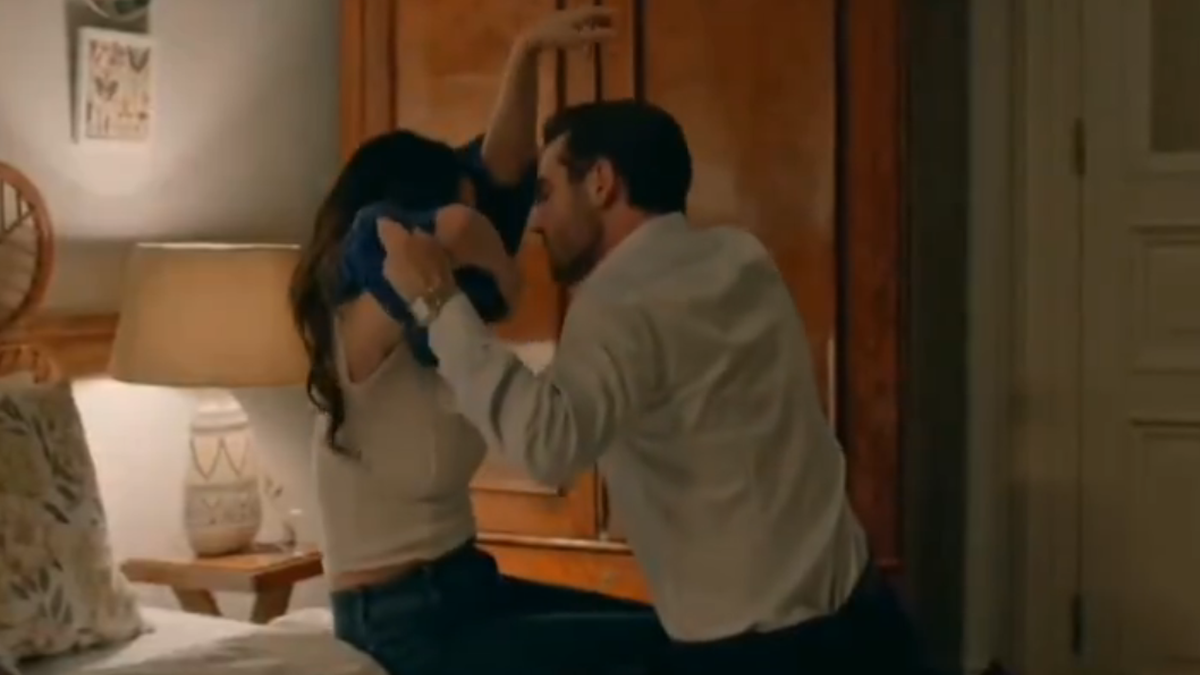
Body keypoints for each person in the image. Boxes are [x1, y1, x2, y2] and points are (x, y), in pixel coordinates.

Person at [376, 99, 931, 674]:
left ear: (601, 182)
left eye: (545, 193)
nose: (536, 222)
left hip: (762, 655)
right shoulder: (742, 256)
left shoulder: (617, 301)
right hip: (868, 621)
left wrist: (439, 303)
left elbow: (548, 445)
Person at [288, 11, 669, 675]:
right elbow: (453, 225)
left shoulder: (438, 320)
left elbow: (499, 171)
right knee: (657, 654)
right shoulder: (357, 324)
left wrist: (525, 54)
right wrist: (508, 279)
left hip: (468, 585)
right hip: (398, 622)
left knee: (673, 633)